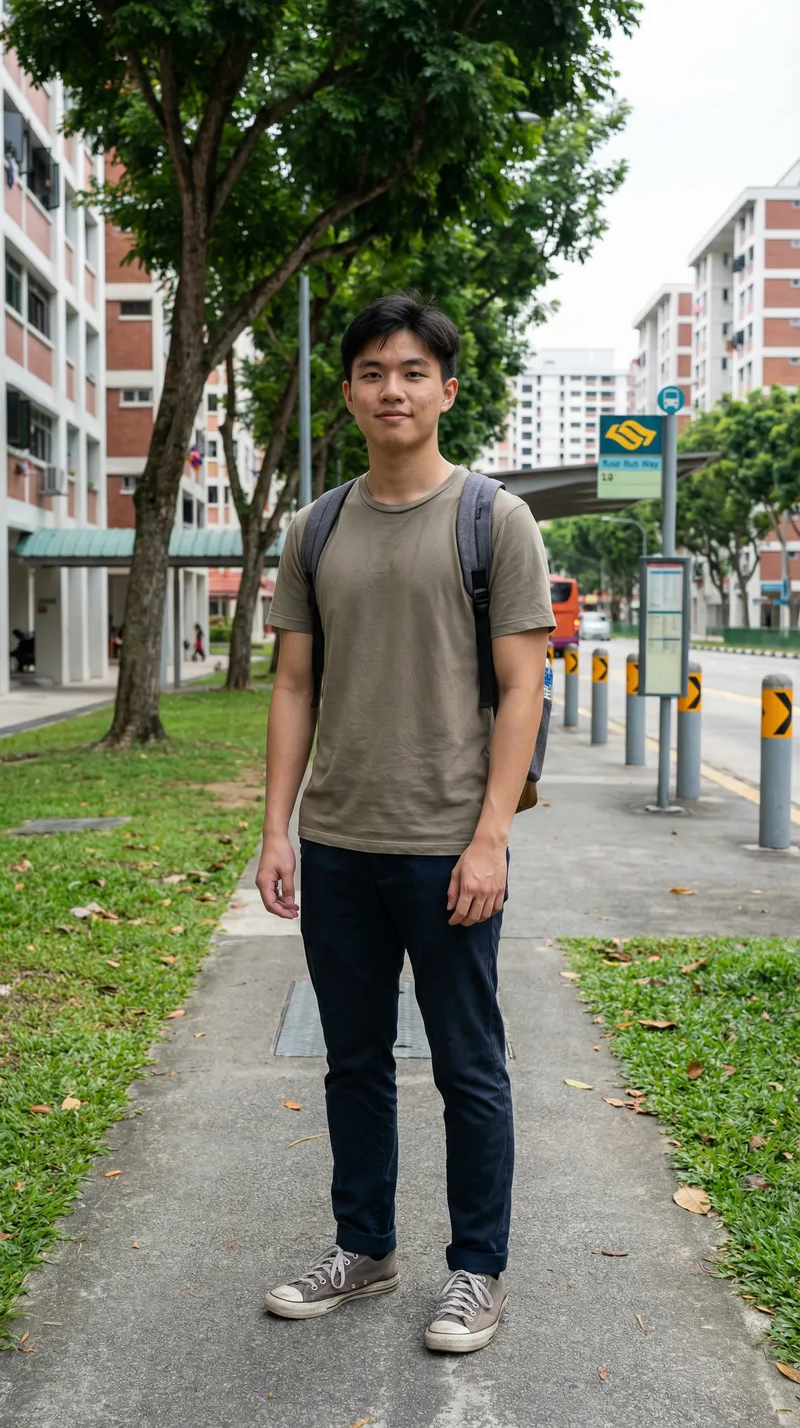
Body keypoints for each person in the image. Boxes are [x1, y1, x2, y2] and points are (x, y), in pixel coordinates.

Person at [257, 293, 554, 1354]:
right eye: (373, 370)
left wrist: (490, 838)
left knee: (469, 1064)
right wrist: (276, 828)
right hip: (339, 839)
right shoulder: (315, 524)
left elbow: (519, 688)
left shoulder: (493, 518)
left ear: (446, 390)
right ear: (346, 391)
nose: (392, 388)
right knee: (352, 1059)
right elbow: (293, 683)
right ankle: (365, 1246)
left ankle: (476, 1269)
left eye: (413, 371)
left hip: (446, 843)